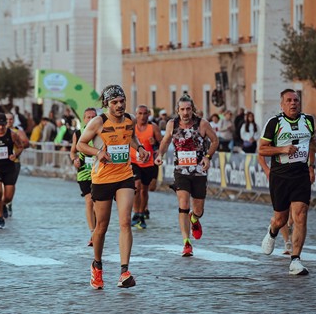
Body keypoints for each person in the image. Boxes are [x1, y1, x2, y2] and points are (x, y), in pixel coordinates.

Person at [77, 84, 149, 290]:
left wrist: (140, 148)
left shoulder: (130, 120)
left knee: (125, 221)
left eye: (122, 101)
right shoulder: (98, 122)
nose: (119, 105)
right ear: (106, 104)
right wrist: (97, 152)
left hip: (124, 176)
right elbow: (80, 144)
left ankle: (124, 271)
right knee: (102, 227)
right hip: (101, 179)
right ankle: (97, 266)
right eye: (115, 102)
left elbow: (130, 138)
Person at [259, 89, 316, 276]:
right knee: (281, 219)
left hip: (300, 174)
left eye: (296, 100)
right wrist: (282, 149)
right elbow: (262, 150)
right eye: (288, 100)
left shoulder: (308, 120)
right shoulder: (274, 123)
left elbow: (311, 141)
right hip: (280, 176)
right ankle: (272, 231)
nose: (293, 103)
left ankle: (295, 260)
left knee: (300, 214)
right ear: (282, 104)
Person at [155, 94, 219, 257]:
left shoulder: (202, 124)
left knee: (198, 209)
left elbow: (215, 141)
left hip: (198, 172)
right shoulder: (172, 124)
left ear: (193, 110)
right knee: (183, 203)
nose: (185, 112)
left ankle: (194, 219)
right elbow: (165, 142)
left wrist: (207, 157)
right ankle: (186, 243)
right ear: (178, 110)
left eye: (188, 109)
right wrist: (159, 155)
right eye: (182, 109)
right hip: (181, 171)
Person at [130, 104, 163, 229]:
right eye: (140, 113)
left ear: (148, 115)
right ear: (136, 114)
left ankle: (142, 213)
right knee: (136, 187)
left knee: (144, 190)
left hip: (149, 163)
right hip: (134, 161)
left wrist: (155, 145)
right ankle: (136, 213)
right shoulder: (131, 127)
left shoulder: (153, 128)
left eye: (145, 114)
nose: (142, 116)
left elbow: (162, 145)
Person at [70, 107, 98, 246]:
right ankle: (93, 232)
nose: (91, 119)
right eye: (88, 117)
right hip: (84, 172)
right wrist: (74, 159)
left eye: (94, 116)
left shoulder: (101, 132)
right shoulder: (78, 133)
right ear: (84, 119)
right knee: (89, 201)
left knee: (98, 204)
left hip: (100, 172)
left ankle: (98, 230)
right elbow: (72, 151)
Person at [5, 113, 29, 217]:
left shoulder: (18, 132)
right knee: (1, 185)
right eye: (7, 119)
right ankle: (3, 204)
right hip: (0, 162)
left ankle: (9, 202)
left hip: (14, 162)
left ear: (13, 120)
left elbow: (26, 143)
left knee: (10, 184)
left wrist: (18, 142)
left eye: (11, 119)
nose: (9, 121)